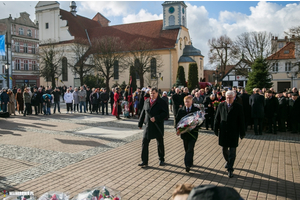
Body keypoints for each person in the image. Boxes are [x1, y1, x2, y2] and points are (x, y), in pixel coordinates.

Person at [214, 90, 245, 178]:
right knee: (224, 150)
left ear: (234, 97)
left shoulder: (238, 107)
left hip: (233, 131)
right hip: (223, 131)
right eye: (227, 97)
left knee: (232, 151)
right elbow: (217, 118)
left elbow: (241, 120)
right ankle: (228, 161)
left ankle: (230, 169)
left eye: (230, 98)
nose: (228, 99)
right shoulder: (221, 105)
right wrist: (215, 129)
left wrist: (242, 132)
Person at [138, 88, 168, 167]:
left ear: (157, 93)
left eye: (153, 93)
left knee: (160, 143)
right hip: (148, 126)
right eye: (151, 93)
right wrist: (140, 123)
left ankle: (161, 159)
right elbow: (143, 112)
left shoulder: (161, 102)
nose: (152, 95)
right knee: (144, 142)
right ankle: (144, 161)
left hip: (157, 125)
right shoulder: (147, 101)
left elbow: (165, 114)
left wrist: (157, 118)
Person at [175, 95, 200, 172]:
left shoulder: (196, 110)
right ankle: (190, 160)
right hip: (184, 134)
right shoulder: (181, 110)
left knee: (190, 148)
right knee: (187, 148)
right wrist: (178, 129)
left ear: (191, 102)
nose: (187, 103)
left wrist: (196, 126)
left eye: (188, 101)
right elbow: (177, 121)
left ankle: (187, 165)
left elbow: (200, 120)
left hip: (193, 133)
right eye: (185, 102)